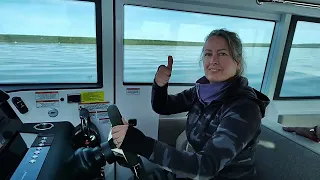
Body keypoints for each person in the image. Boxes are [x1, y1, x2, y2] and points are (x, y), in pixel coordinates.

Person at [111, 29, 270, 180]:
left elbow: (206, 168)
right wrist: (160, 86)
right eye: (208, 54)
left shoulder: (244, 109)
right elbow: (163, 106)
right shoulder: (200, 92)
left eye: (222, 53)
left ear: (238, 63)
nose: (213, 60)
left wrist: (141, 143)